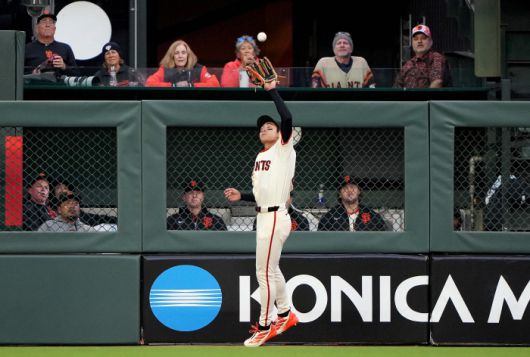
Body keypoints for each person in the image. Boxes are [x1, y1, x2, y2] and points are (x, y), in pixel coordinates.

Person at [224, 80, 299, 347]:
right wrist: (241, 196)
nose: (265, 129)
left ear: (280, 134)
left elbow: (287, 116)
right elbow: (260, 193)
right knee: (271, 270)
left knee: (263, 273)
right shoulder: (260, 157)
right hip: (264, 215)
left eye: (270, 126)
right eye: (261, 128)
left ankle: (265, 326)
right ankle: (286, 313)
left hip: (276, 215)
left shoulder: (283, 147)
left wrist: (271, 91)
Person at [318, 176, 387, 231]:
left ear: (359, 191)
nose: (349, 191)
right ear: (340, 194)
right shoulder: (329, 217)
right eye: (345, 188)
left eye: (352, 187)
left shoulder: (372, 216)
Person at [394, 24, 451, 88]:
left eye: (423, 38)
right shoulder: (408, 64)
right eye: (416, 39)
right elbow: (396, 87)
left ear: (431, 42)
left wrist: (424, 98)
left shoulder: (436, 58)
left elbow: (437, 83)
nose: (419, 41)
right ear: (412, 43)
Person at [145, 39, 220, 87]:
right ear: (172, 56)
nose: (180, 56)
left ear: (188, 55)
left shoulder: (199, 69)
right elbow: (149, 83)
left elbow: (215, 83)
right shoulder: (165, 69)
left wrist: (191, 85)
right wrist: (173, 86)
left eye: (183, 53)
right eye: (177, 53)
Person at [49, 179, 118, 227]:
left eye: (65, 188)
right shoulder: (49, 210)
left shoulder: (79, 214)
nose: (62, 190)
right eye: (58, 188)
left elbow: (96, 218)